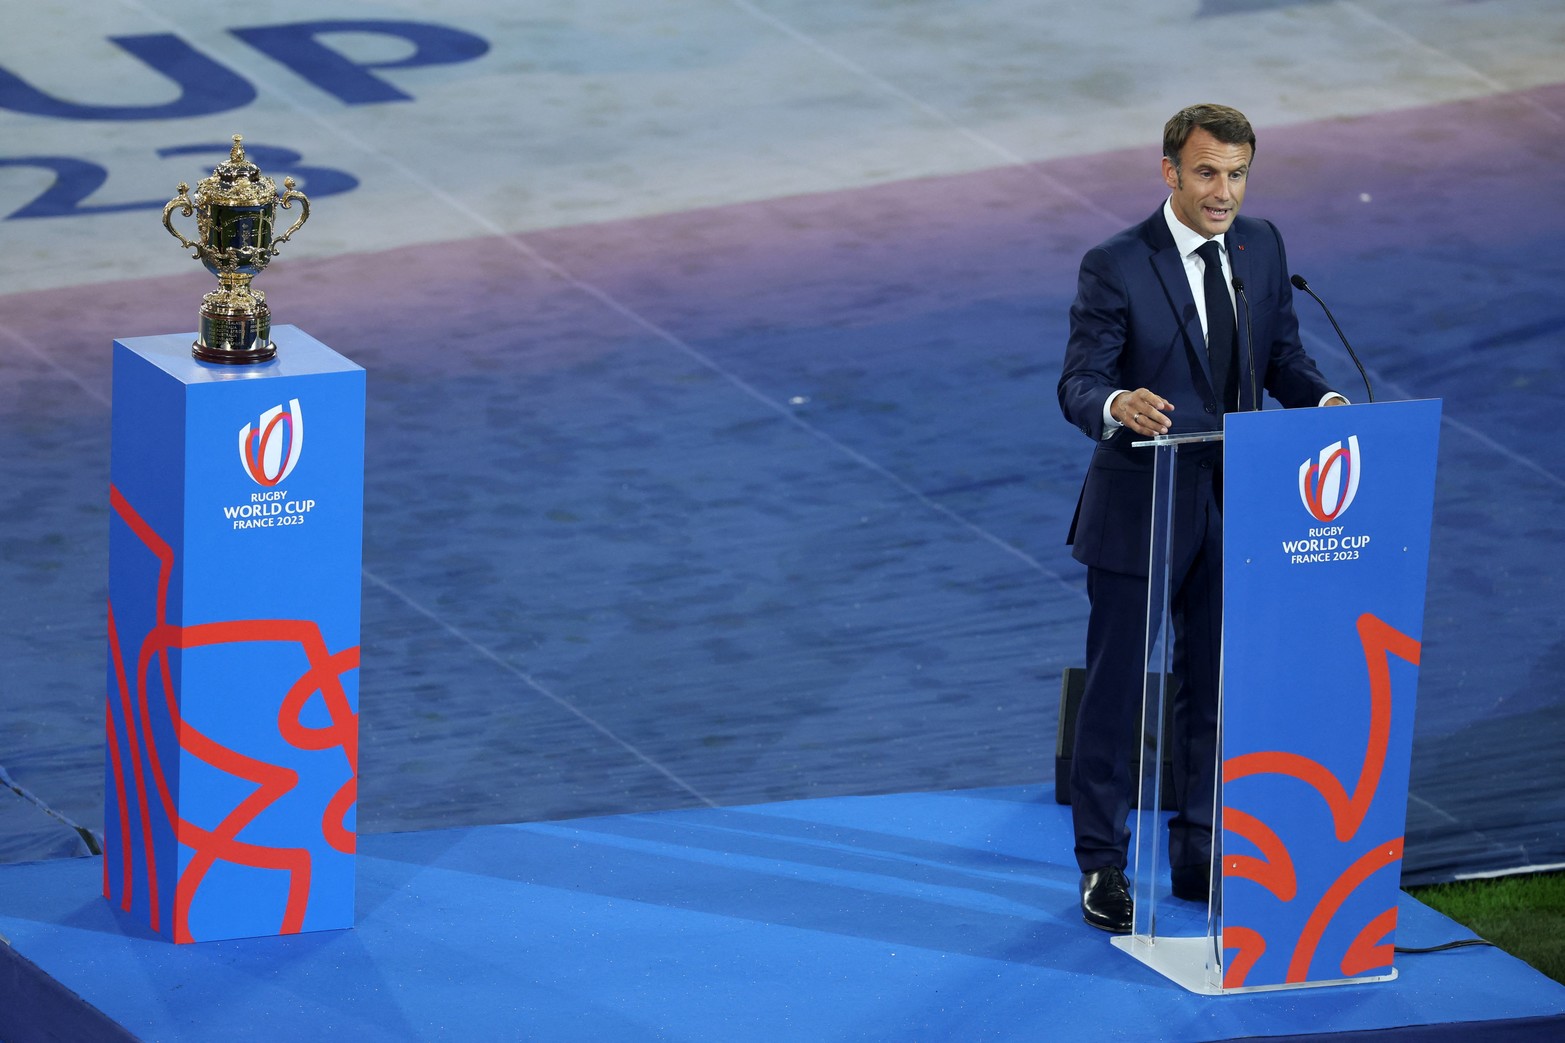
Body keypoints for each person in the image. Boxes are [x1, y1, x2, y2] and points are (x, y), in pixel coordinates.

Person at [1057, 103, 1346, 933]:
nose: (1224, 192)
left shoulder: (1261, 246)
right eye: (1207, 173)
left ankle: (1198, 854)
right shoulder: (1116, 263)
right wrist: (1116, 401)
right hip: (1141, 503)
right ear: (1170, 172)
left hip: (1236, 500)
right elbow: (1078, 381)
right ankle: (1102, 864)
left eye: (1237, 173)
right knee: (1116, 690)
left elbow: (1281, 357)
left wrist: (1323, 402)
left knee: (1213, 687)